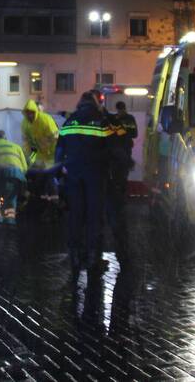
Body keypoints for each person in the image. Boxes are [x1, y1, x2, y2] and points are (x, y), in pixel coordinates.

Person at [55, 91, 113, 278]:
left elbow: (59, 150)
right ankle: (93, 258)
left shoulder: (70, 121)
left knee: (76, 215)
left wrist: (60, 173)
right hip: (96, 176)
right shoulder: (102, 120)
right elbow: (112, 149)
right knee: (95, 217)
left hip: (74, 176)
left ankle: (75, 257)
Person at [105, 100, 137, 262]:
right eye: (119, 110)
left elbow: (133, 133)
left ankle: (121, 194)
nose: (120, 112)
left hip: (125, 150)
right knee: (118, 174)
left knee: (122, 174)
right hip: (120, 151)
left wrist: (123, 130)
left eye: (121, 109)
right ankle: (118, 194)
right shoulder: (116, 119)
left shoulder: (129, 119)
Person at [21, 99, 60, 213]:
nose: (29, 115)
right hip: (39, 155)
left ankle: (54, 203)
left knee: (49, 178)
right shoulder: (25, 123)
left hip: (51, 155)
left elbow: (56, 137)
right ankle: (43, 202)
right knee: (40, 179)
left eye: (31, 112)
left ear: (35, 111)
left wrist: (53, 154)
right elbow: (26, 142)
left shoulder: (45, 119)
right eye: (27, 113)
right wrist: (28, 158)